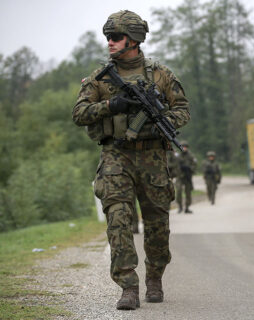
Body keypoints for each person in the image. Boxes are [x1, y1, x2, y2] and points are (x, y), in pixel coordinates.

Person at [72, 10, 190, 310]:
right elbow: (79, 114)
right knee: (118, 220)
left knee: (157, 225)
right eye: (107, 37)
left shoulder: (161, 74)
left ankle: (154, 278)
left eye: (116, 37)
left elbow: (183, 111)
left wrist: (158, 120)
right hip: (116, 156)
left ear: (134, 39)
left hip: (152, 157)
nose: (109, 42)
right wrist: (112, 104)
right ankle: (128, 286)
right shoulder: (99, 79)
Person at [176, 141, 197, 213]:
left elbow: (194, 165)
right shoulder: (177, 156)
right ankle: (180, 207)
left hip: (187, 177)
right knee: (178, 191)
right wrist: (179, 169)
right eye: (183, 147)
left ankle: (187, 207)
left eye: (185, 147)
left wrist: (189, 168)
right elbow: (173, 165)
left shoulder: (191, 156)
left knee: (188, 192)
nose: (184, 148)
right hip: (179, 176)